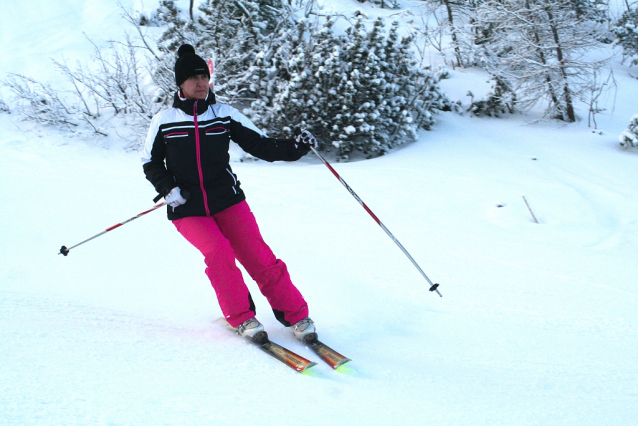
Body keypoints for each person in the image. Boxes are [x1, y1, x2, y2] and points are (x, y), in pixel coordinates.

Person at [141, 44, 318, 341]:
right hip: (187, 206)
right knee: (218, 252)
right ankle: (242, 318)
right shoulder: (165, 120)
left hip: (227, 200)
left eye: (204, 77)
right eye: (194, 78)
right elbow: (150, 162)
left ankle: (297, 316)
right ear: (180, 84)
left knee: (260, 257)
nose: (201, 83)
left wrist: (295, 147)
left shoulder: (223, 114)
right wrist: (167, 188)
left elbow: (262, 145)